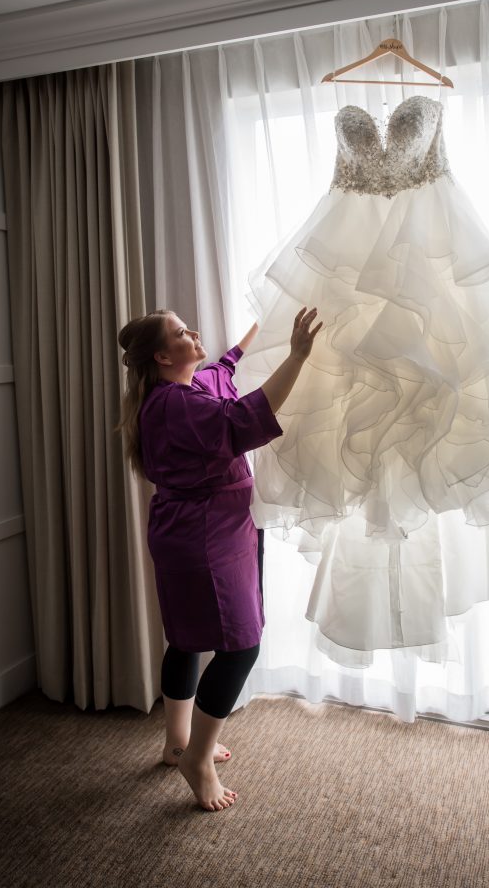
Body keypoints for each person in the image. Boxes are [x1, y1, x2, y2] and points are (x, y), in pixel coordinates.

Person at [117, 306, 322, 812]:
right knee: (242, 645)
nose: (195, 333)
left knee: (186, 639)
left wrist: (271, 317)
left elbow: (230, 361)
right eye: (182, 332)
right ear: (164, 356)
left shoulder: (189, 384)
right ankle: (197, 759)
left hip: (197, 529)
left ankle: (176, 743)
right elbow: (244, 420)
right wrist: (296, 356)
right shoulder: (174, 404)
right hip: (205, 536)